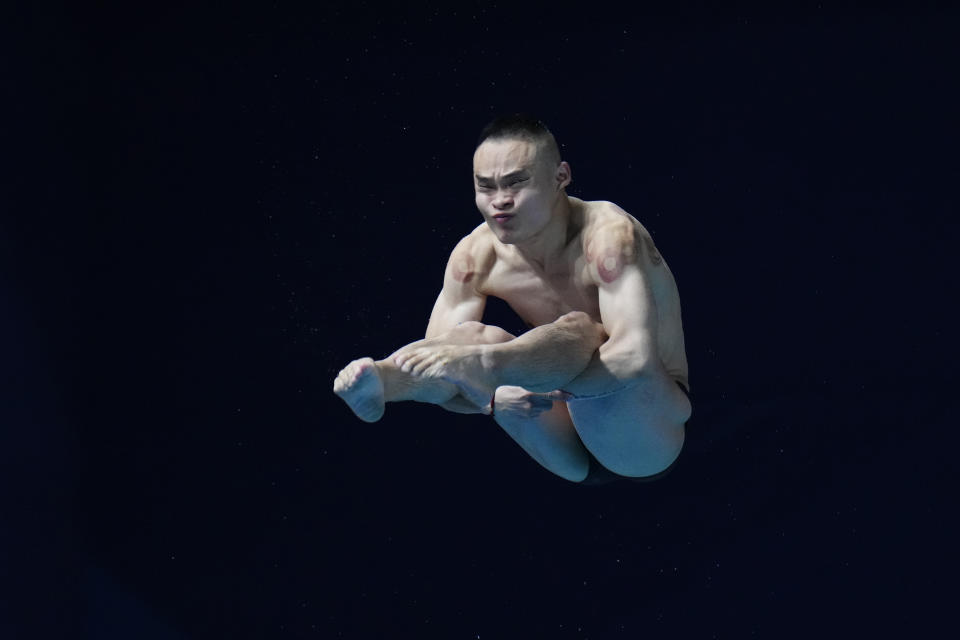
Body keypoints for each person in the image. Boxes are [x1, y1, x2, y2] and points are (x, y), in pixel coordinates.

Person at [333, 114, 691, 484]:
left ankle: (493, 361)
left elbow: (634, 358)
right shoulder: (475, 256)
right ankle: (384, 380)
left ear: (561, 177)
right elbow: (445, 380)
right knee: (465, 340)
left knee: (582, 331)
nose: (500, 201)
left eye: (517, 183)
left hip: (644, 430)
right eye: (485, 187)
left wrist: (510, 380)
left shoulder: (608, 237)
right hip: (561, 444)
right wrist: (490, 401)